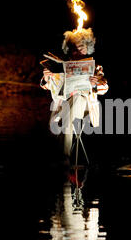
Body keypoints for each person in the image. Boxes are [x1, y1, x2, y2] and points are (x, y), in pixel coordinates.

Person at [41, 28, 108, 157]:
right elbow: (49, 87)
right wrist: (47, 77)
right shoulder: (62, 66)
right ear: (68, 49)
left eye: (81, 48)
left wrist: (95, 84)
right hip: (64, 104)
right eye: (73, 48)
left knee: (78, 97)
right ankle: (61, 156)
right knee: (64, 112)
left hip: (84, 106)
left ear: (87, 48)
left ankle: (63, 157)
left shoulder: (95, 67)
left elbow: (105, 89)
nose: (77, 51)